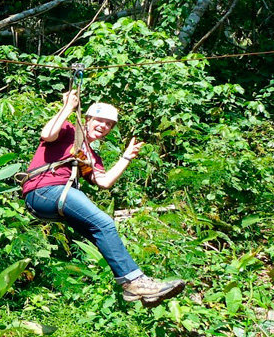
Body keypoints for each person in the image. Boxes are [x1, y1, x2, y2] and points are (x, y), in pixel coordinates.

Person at [20, 89, 185, 306]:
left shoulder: (91, 155)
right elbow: (47, 134)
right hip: (44, 189)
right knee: (104, 222)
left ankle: (133, 289)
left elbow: (104, 182)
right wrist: (68, 108)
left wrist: (126, 157)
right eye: (100, 120)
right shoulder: (67, 130)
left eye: (109, 124)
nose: (104, 126)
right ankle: (137, 281)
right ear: (87, 120)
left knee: (98, 231)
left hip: (53, 197)